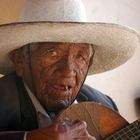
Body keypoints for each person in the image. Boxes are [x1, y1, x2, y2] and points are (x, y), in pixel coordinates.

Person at [0, 0, 139, 140]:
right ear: (20, 60)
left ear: (88, 64)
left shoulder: (105, 107)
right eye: (53, 53)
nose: (67, 71)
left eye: (80, 57)